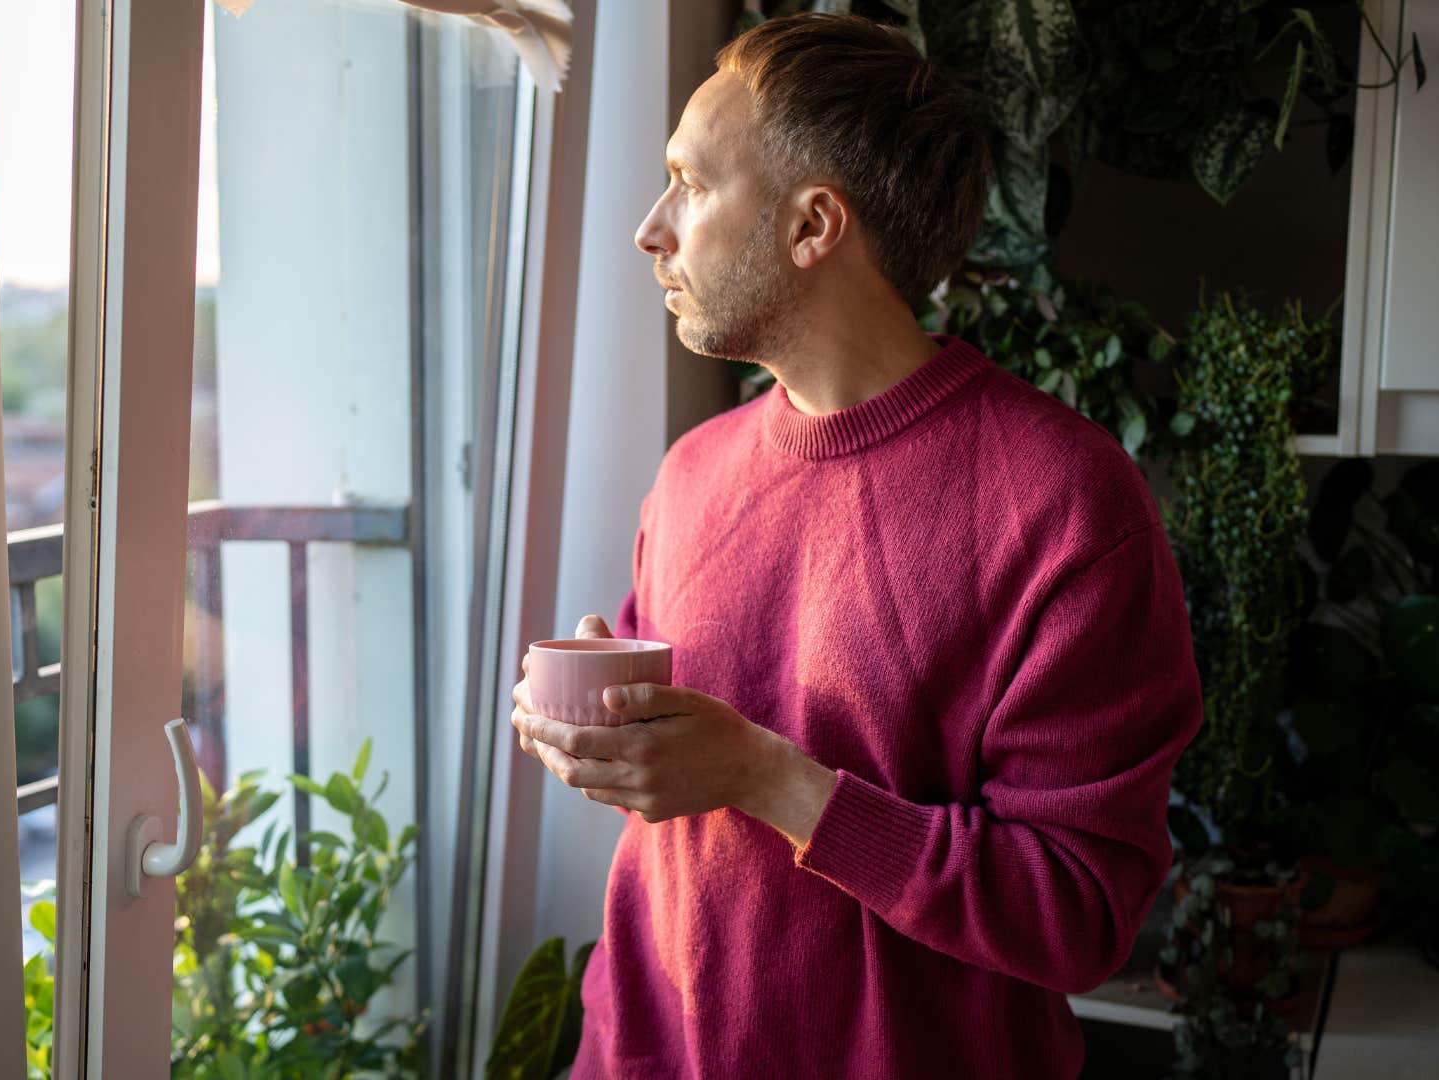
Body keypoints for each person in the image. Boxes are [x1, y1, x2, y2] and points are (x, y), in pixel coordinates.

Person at [509, 12, 1204, 1078]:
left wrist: (764, 775)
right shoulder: (692, 471)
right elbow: (678, 808)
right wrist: (611, 730)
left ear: (813, 225)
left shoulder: (1065, 502)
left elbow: (1078, 912)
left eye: (690, 184)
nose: (651, 229)